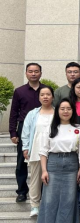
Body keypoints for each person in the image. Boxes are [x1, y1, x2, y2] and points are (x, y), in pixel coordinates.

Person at [36, 99, 80, 223]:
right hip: (53, 164)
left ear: (73, 111)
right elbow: (43, 151)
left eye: (68, 108)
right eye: (62, 108)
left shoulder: (78, 129)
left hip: (72, 164)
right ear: (57, 111)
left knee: (69, 199)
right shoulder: (50, 128)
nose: (65, 111)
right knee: (50, 200)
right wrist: (44, 170)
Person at [9, 63, 44, 203]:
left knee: (43, 159)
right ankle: (22, 191)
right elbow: (13, 113)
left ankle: (42, 190)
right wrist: (13, 132)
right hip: (24, 127)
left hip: (43, 127)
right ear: (26, 73)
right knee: (21, 161)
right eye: (30, 71)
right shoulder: (19, 91)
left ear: (41, 73)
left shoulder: (46, 90)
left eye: (36, 71)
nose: (33, 74)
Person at [21, 85, 54, 216]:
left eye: (48, 94)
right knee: (35, 179)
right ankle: (34, 205)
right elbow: (26, 132)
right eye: (42, 95)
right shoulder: (33, 114)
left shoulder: (58, 112)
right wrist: (25, 147)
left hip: (53, 150)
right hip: (36, 149)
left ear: (53, 97)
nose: (45, 97)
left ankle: (49, 205)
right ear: (39, 97)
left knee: (52, 179)